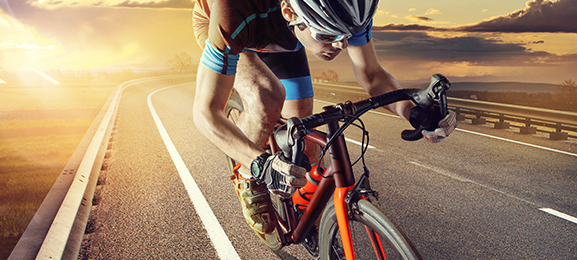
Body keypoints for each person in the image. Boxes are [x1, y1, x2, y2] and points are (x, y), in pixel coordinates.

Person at [189, 0, 457, 248]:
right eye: (328, 36)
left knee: (305, 130)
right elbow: (206, 112)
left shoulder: (348, 9)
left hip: (290, 35)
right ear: (289, 12)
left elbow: (372, 74)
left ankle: (307, 216)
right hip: (238, 26)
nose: (340, 46)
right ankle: (247, 177)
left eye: (347, 35)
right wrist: (260, 163)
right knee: (266, 96)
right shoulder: (233, 10)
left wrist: (412, 112)